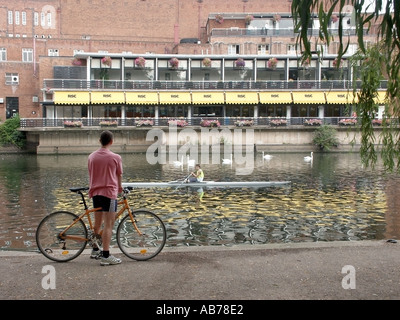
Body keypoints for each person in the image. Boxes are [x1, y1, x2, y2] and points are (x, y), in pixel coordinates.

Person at [88, 130, 123, 266]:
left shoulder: (91, 157)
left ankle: (95, 249)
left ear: (99, 141)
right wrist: (120, 189)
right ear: (111, 142)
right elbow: (119, 175)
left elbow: (91, 174)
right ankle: (106, 255)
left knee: (97, 224)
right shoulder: (115, 157)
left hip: (95, 193)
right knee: (109, 225)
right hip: (109, 193)